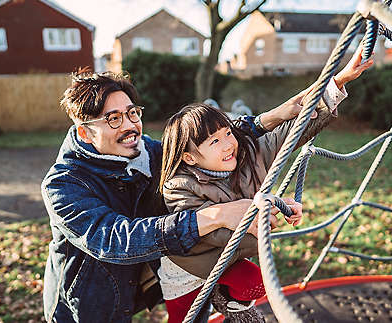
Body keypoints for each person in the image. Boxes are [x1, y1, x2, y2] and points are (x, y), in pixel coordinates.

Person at [41, 46, 372, 322]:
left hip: (157, 276)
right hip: (88, 302)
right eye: (113, 119)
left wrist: (315, 94)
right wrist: (219, 215)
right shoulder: (64, 184)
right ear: (85, 132)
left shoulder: (151, 152)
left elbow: (216, 140)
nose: (130, 126)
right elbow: (113, 239)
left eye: (133, 113)